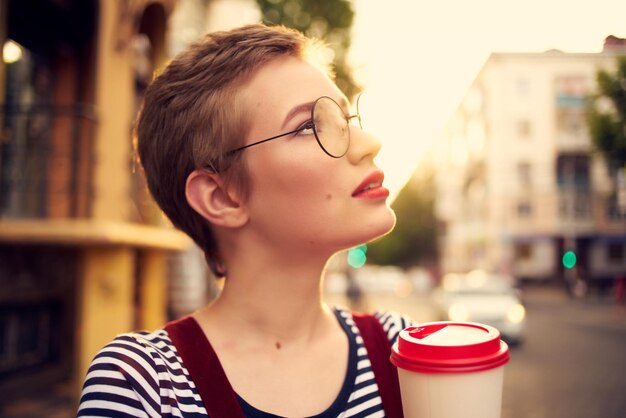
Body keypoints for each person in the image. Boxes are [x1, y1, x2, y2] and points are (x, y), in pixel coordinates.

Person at [77, 23, 411, 418]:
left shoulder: (401, 348)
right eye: (307, 126)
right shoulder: (143, 383)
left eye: (345, 119)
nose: (369, 143)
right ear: (220, 197)